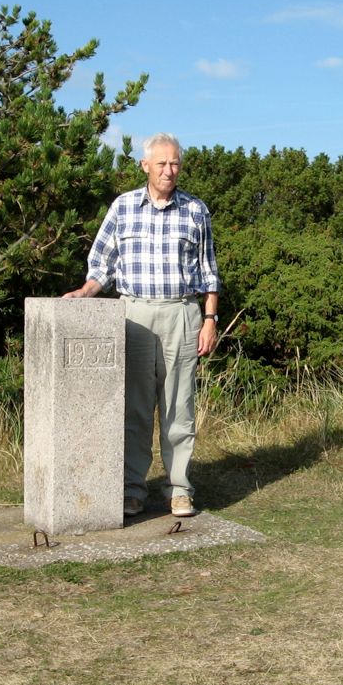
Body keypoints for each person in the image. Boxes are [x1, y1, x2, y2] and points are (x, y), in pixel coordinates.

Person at [63, 132, 220, 518]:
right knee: (133, 408)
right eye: (162, 163)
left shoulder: (196, 210)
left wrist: (210, 318)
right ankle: (132, 489)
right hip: (133, 315)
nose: (169, 170)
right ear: (145, 165)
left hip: (182, 314)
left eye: (175, 163)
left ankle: (179, 489)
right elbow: (102, 264)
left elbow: (208, 272)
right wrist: (85, 293)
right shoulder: (123, 207)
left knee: (179, 408)